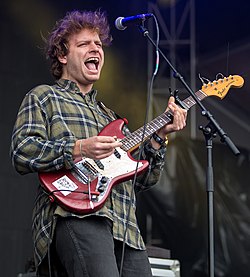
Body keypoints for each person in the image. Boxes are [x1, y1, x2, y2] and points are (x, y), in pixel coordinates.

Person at [10, 9, 187, 277]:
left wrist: (159, 138)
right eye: (84, 44)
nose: (96, 48)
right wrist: (79, 148)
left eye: (98, 44)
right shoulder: (44, 98)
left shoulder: (112, 118)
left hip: (126, 229)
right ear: (62, 55)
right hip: (75, 214)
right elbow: (22, 152)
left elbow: (143, 180)